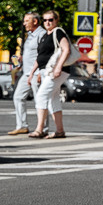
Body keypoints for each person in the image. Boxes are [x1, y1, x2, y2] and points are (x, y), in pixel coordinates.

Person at [27, 9, 70, 139]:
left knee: (41, 96)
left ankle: (39, 129)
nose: (47, 22)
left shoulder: (58, 32)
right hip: (46, 70)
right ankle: (60, 131)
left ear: (56, 20)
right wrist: (32, 73)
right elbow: (40, 57)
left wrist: (58, 66)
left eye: (50, 20)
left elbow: (66, 49)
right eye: (45, 20)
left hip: (57, 70)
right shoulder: (45, 35)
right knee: (53, 99)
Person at [8, 12, 46, 136]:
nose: (24, 24)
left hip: (37, 73)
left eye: (26, 21)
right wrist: (21, 59)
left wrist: (41, 72)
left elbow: (44, 54)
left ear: (35, 21)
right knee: (18, 97)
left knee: (40, 101)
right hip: (26, 73)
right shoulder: (29, 36)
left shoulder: (41, 34)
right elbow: (31, 53)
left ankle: (43, 128)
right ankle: (22, 126)